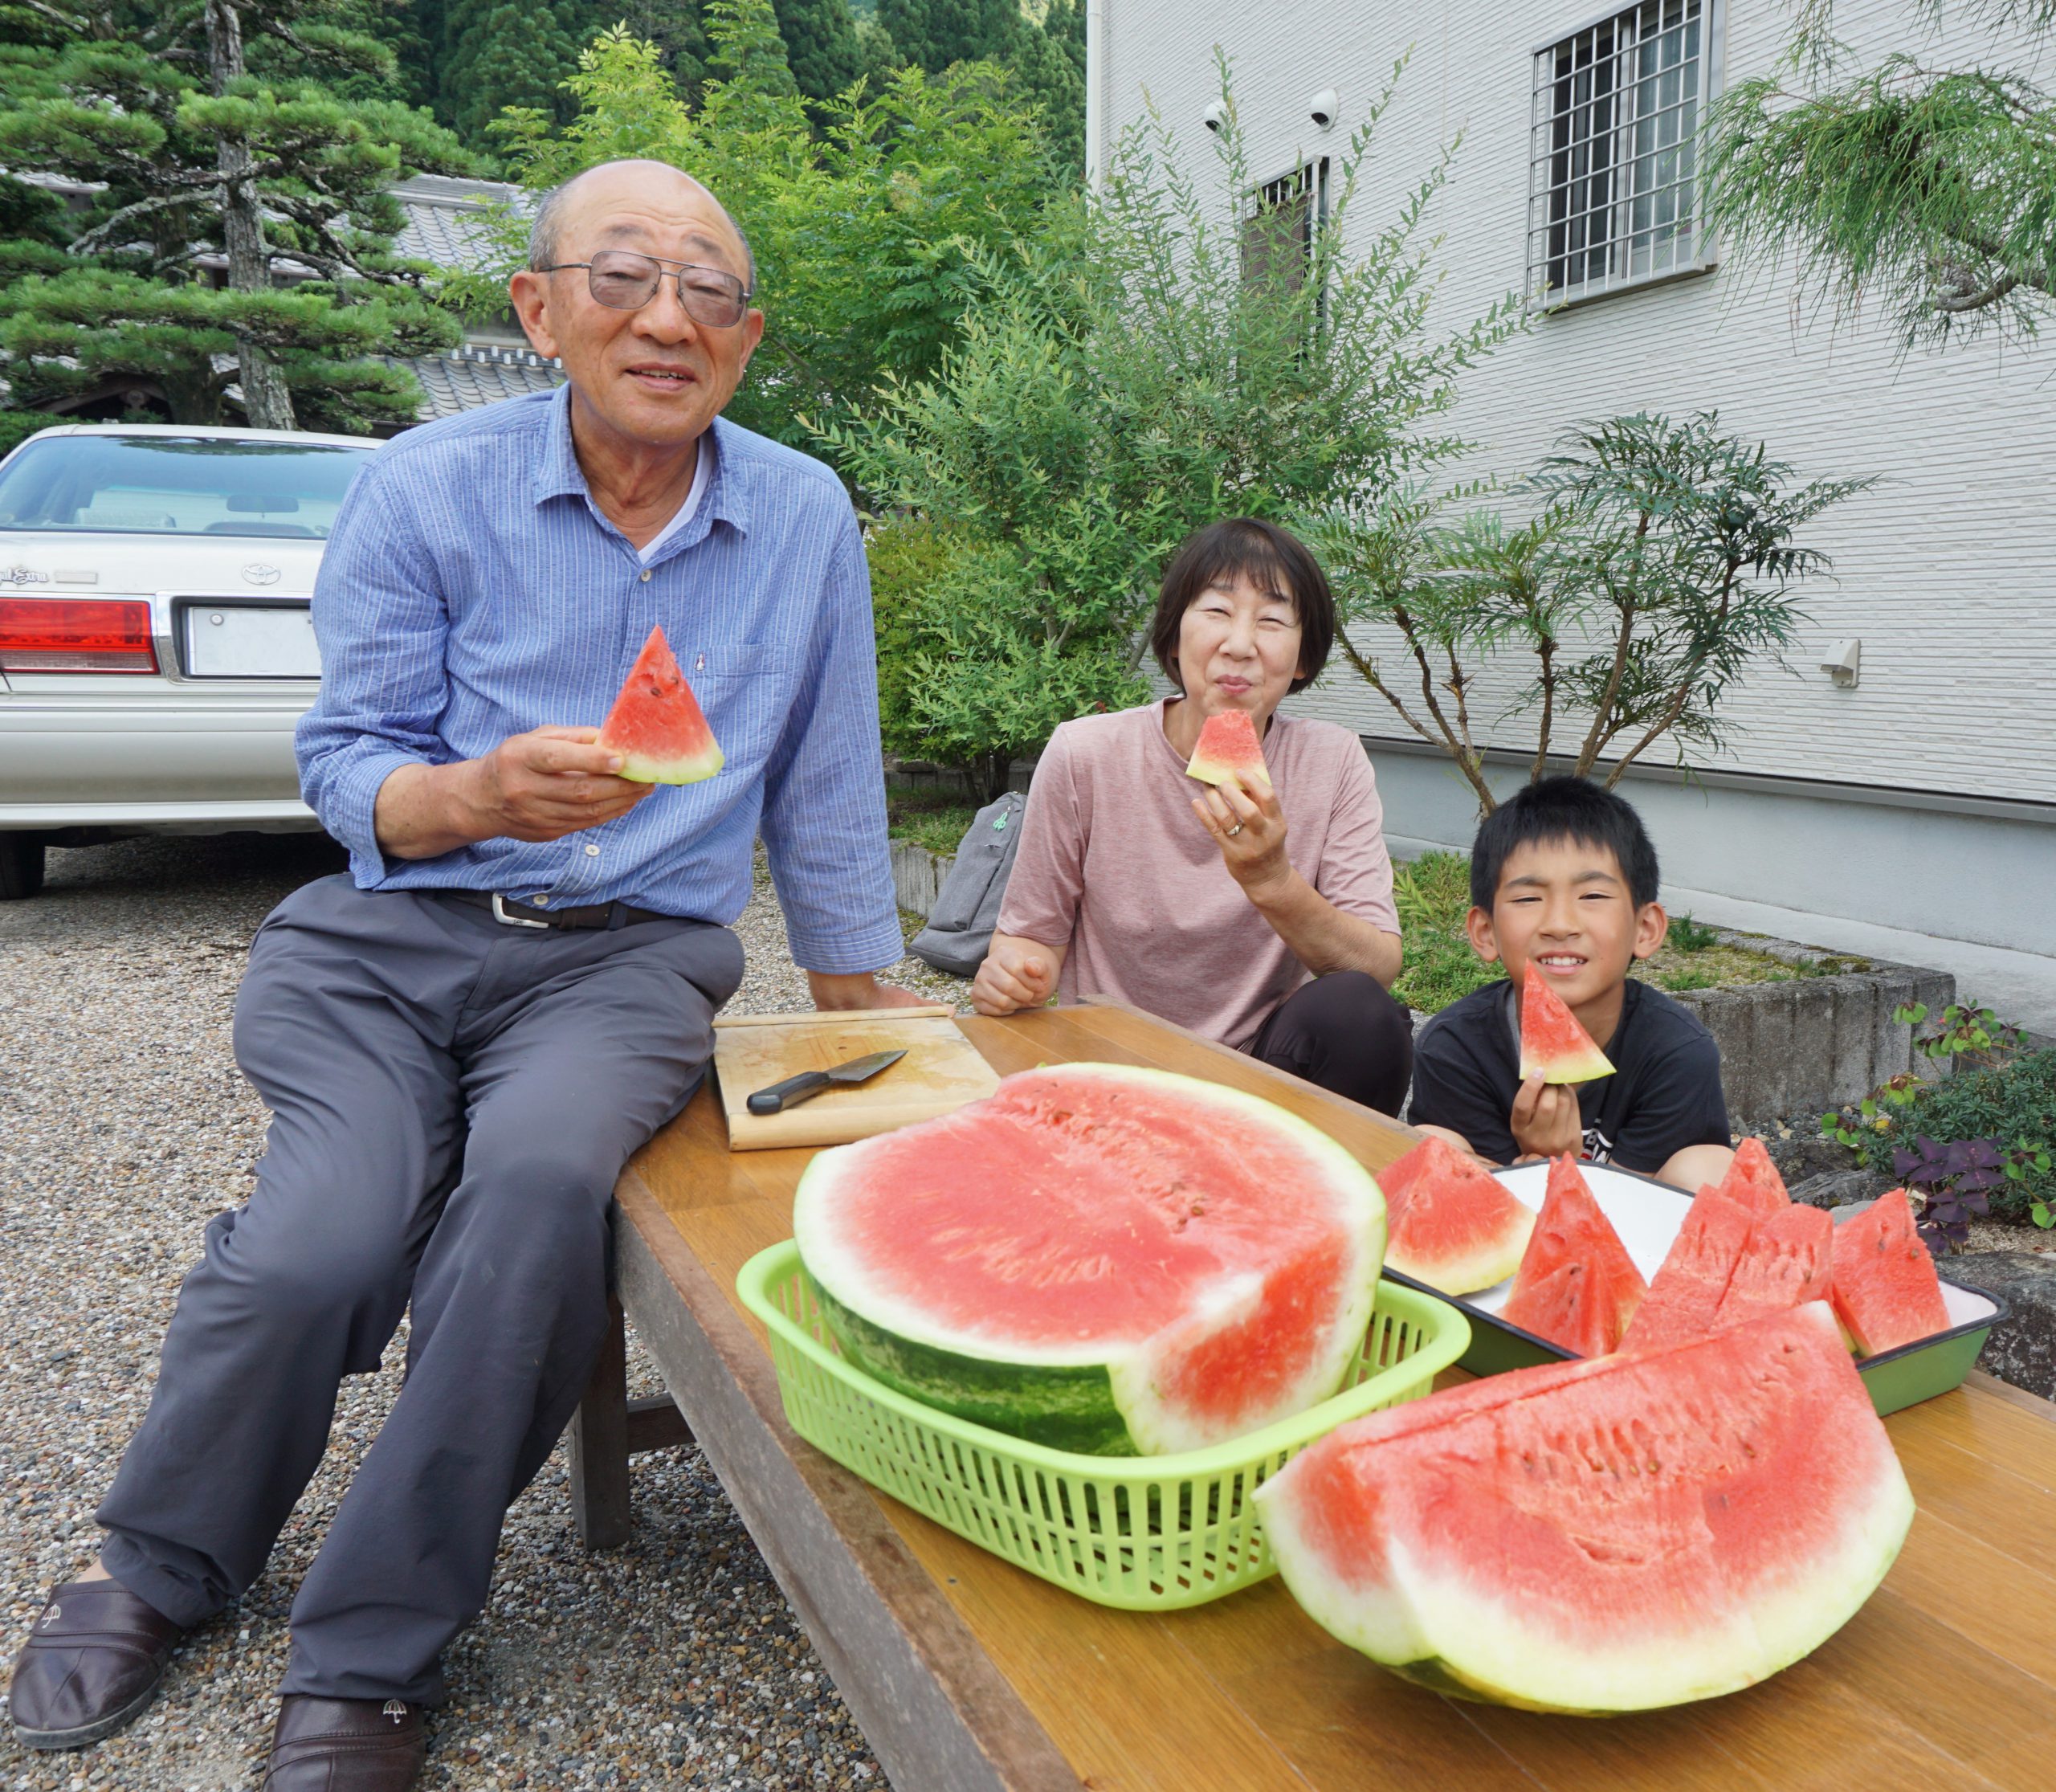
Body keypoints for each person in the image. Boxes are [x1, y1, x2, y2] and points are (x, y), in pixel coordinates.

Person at [6, 159, 923, 1791]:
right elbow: (345, 764)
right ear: (537, 308)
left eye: (708, 287)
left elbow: (832, 797)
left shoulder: (801, 515)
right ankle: (158, 1558)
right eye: (623, 274)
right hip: (385, 937)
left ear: (748, 335)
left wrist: (884, 1031)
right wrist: (474, 794)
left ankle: (373, 1642)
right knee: (319, 1238)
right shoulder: (425, 486)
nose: (665, 315)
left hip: (631, 958)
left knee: (532, 1199)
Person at [973, 518, 1413, 1112]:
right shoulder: (1086, 753)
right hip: (1108, 1062)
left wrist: (1274, 882)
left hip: (1261, 1070)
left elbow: (1377, 966)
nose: (1239, 643)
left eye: (1272, 620)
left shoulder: (1332, 761)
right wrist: (1014, 971)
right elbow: (1031, 935)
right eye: (1217, 611)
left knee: (1362, 1014)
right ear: (1175, 637)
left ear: (1303, 658)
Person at [1409, 776, 1736, 1189]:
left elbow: (1629, 1206)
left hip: (1632, 1234)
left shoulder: (1677, 1051)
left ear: (1646, 928)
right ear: (1485, 931)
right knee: (1433, 1146)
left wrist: (1564, 1164)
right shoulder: (1453, 1048)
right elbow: (1492, 1198)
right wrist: (1541, 1168)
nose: (1560, 924)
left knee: (1711, 1168)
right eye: (1528, 899)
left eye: (1593, 896)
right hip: (1506, 1232)